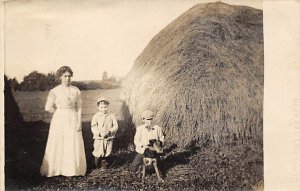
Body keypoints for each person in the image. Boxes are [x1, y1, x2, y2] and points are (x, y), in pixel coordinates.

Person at [40, 66, 87, 177]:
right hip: (59, 119)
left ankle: (71, 170)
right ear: (60, 77)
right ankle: (56, 169)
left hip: (73, 117)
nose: (67, 79)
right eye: (65, 76)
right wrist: (59, 112)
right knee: (59, 142)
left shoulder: (76, 90)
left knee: (72, 141)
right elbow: (48, 107)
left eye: (69, 76)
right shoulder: (54, 91)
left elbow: (79, 107)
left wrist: (79, 121)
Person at [91, 98, 118, 170]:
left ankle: (104, 165)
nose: (104, 109)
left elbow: (115, 126)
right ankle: (97, 165)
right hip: (99, 138)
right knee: (98, 151)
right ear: (98, 107)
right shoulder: (96, 116)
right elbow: (93, 127)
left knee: (107, 151)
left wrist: (109, 131)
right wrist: (99, 133)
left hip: (108, 137)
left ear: (108, 106)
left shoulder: (111, 116)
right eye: (101, 107)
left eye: (105, 107)